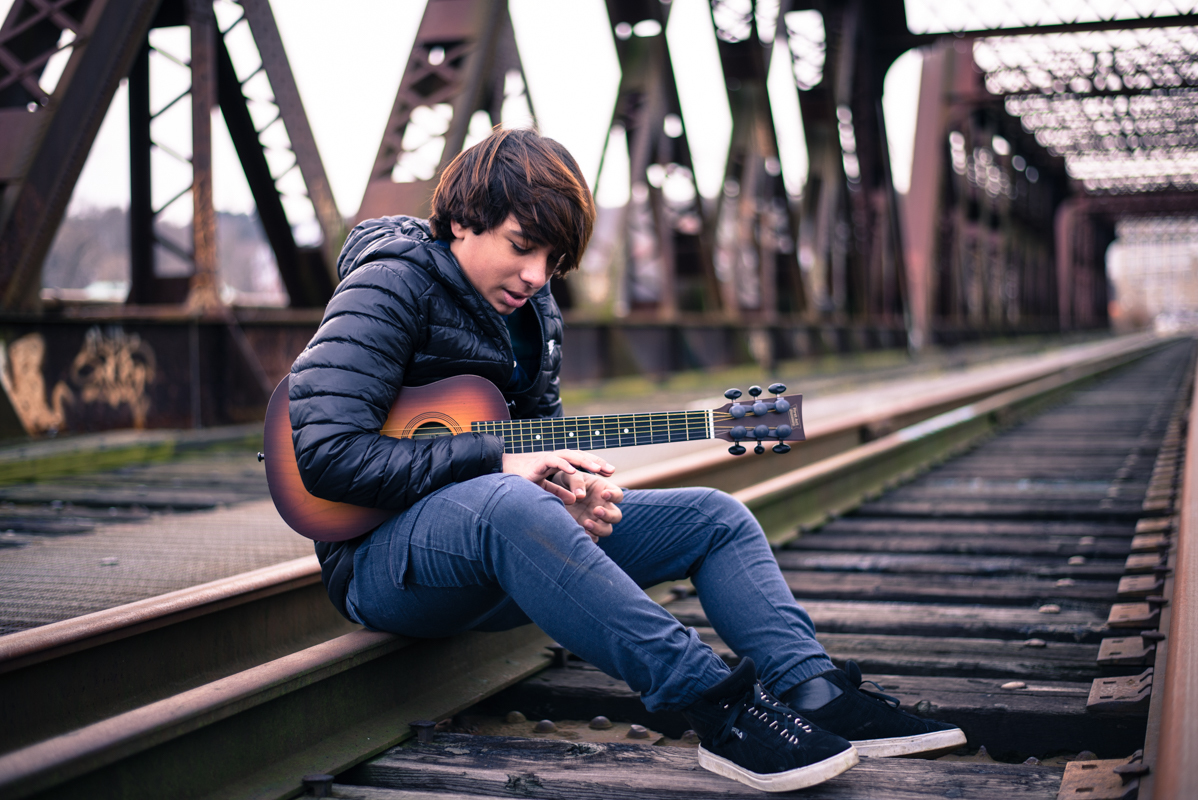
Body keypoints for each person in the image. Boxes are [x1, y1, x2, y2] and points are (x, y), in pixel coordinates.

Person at [289, 128, 964, 792]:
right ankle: (720, 708)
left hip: (494, 550)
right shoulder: (388, 287)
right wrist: (499, 464)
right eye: (522, 247)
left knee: (714, 516)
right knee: (510, 501)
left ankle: (812, 690)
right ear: (464, 221)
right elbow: (325, 455)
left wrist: (568, 490)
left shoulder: (535, 310)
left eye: (552, 260)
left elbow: (534, 446)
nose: (535, 275)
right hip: (380, 564)